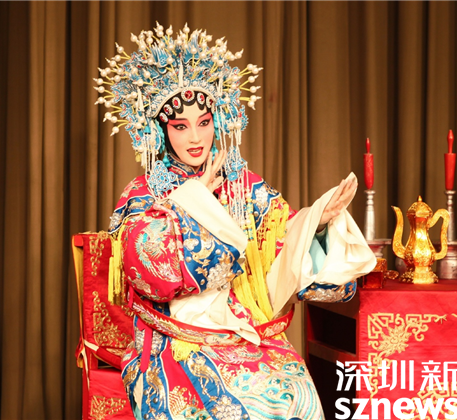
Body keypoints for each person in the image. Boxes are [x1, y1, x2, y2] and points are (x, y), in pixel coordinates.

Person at [96, 23, 376, 420]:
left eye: (204, 122)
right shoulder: (144, 193)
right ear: (159, 130)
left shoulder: (244, 186)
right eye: (180, 126)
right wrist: (193, 201)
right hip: (175, 341)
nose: (196, 137)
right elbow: (150, 271)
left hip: (245, 332)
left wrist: (317, 222)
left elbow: (281, 244)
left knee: (297, 395)